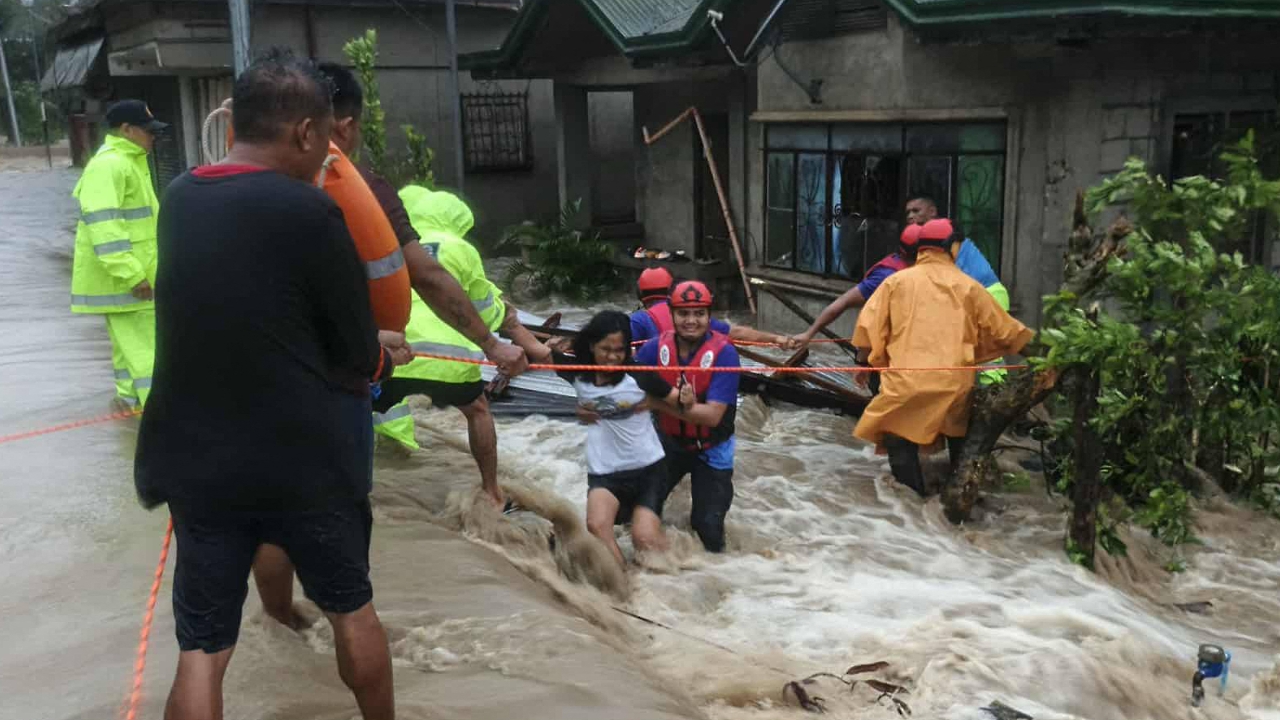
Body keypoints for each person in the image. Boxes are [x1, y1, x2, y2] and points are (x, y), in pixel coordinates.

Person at [134, 51, 409, 720]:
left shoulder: (180, 198)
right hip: (304, 464)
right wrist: (383, 357)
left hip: (197, 463)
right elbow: (351, 351)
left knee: (201, 649)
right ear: (307, 134)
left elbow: (238, 309)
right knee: (351, 610)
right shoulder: (309, 212)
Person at [247, 62, 536, 633]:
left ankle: (280, 617)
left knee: (276, 510)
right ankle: (490, 490)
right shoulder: (368, 195)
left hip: (272, 384)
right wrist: (497, 344)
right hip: (370, 364)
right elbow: (451, 288)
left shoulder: (224, 191)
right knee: (462, 414)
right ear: (340, 126)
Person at [370, 185, 551, 508]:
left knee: (362, 410)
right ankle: (492, 490)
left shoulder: (390, 244)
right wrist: (503, 341)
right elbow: (485, 308)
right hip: (452, 359)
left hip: (398, 354)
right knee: (477, 410)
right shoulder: (461, 249)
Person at [851, 219, 1033, 497]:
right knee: (960, 439)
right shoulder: (970, 287)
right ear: (950, 247)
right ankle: (956, 503)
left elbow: (866, 331)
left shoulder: (894, 283)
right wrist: (1047, 356)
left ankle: (911, 507)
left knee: (899, 440)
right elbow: (1008, 332)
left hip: (904, 387)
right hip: (954, 387)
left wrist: (863, 364)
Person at [548, 310, 684, 566]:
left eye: (619, 350)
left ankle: (678, 572)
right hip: (605, 470)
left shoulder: (640, 375)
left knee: (644, 540)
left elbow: (681, 404)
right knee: (597, 526)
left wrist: (657, 402)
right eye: (605, 349)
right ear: (591, 346)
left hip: (648, 470)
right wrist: (510, 324)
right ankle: (625, 585)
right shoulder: (578, 371)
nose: (612, 357)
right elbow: (536, 352)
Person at [70, 99, 166, 408]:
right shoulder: (111, 165)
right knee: (148, 353)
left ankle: (129, 408)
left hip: (133, 279)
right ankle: (159, 416)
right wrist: (133, 275)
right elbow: (105, 228)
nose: (154, 138)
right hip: (132, 282)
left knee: (128, 351)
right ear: (126, 130)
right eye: (149, 131)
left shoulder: (129, 161)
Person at [635, 281, 741, 553]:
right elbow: (625, 379)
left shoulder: (725, 353)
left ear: (709, 316)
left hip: (712, 449)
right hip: (669, 443)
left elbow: (712, 417)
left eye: (699, 314)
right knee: (633, 510)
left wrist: (655, 402)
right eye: (683, 314)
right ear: (671, 314)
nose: (691, 321)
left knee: (708, 528)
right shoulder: (654, 348)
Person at [906, 196, 1010, 384]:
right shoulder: (939, 238)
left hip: (986, 293)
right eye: (908, 212)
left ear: (932, 212)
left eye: (916, 210)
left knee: (988, 355)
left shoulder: (945, 237)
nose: (911, 216)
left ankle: (995, 395)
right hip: (975, 296)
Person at [630, 266, 799, 349]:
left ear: (640, 294)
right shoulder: (696, 321)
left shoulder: (638, 320)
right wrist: (776, 339)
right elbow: (738, 333)